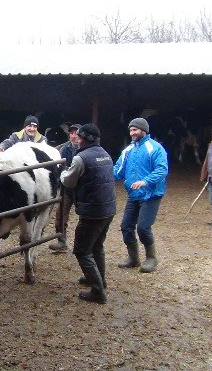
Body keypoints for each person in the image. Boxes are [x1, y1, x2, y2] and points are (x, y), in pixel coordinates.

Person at [60, 124, 116, 304]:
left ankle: (98, 292)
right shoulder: (105, 154)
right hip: (108, 209)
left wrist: (61, 173)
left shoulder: (80, 158)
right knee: (97, 245)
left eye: (80, 136)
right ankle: (99, 279)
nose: (77, 139)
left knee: (82, 250)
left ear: (85, 139)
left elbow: (69, 181)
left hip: (92, 211)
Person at [113, 117, 168, 273]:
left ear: (144, 130)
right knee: (126, 226)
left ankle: (151, 258)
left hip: (151, 194)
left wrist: (145, 181)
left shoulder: (155, 148)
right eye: (130, 130)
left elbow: (162, 169)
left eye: (135, 130)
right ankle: (133, 258)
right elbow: (117, 170)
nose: (132, 133)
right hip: (133, 194)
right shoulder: (128, 150)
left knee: (143, 228)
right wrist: (104, 178)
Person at [49, 123, 82, 253]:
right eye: (72, 133)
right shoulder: (64, 149)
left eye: (76, 133)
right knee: (61, 215)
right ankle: (62, 241)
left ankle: (82, 244)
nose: (74, 136)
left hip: (81, 188)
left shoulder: (86, 148)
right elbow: (58, 165)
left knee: (85, 216)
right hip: (67, 187)